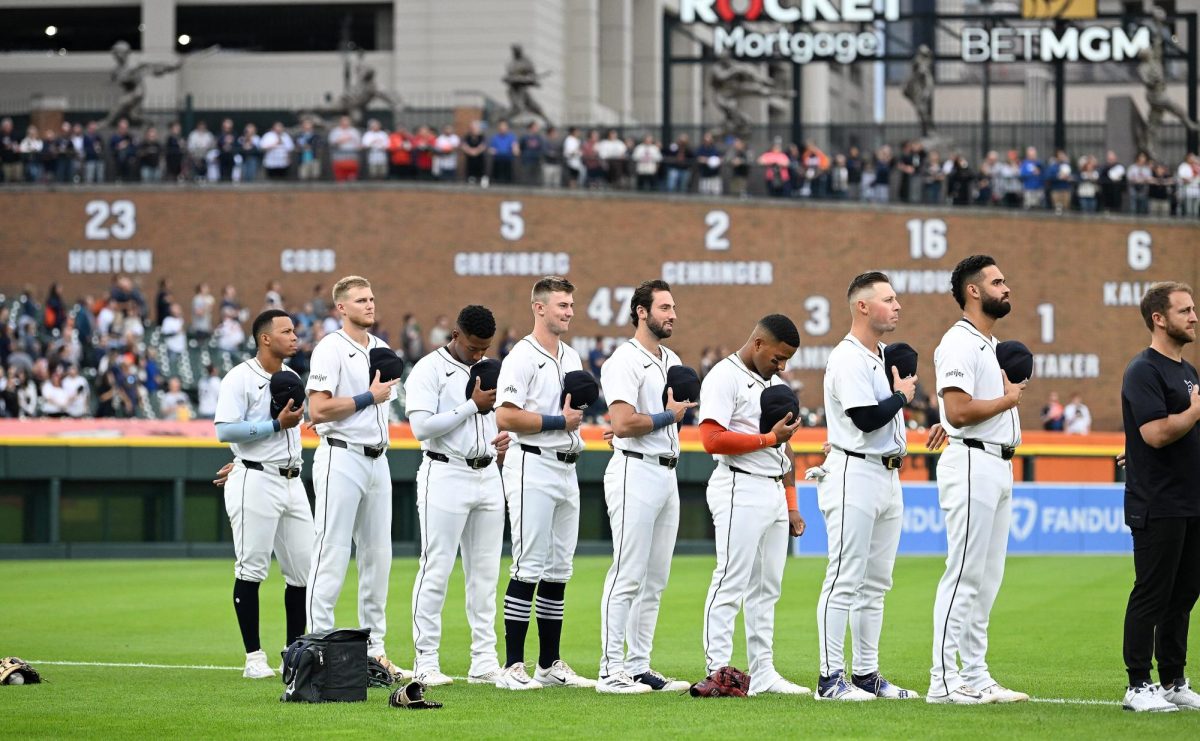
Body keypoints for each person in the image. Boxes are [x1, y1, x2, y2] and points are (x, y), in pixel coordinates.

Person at [814, 272, 946, 701]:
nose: (898, 306)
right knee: (844, 577)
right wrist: (904, 397)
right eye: (889, 299)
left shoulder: (882, 355)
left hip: (888, 473)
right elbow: (865, 417)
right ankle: (830, 678)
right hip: (855, 469)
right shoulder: (848, 357)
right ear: (862, 307)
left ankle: (867, 673)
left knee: (876, 582)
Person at [928, 254, 1028, 705]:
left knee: (987, 578)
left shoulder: (989, 343)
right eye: (997, 282)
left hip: (996, 464)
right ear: (974, 291)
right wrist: (1009, 400)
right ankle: (943, 681)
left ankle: (976, 673)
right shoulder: (960, 342)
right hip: (971, 463)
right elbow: (958, 412)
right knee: (965, 574)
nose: (1006, 288)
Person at [493, 276, 594, 690]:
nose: (568, 312)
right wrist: (559, 422)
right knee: (528, 564)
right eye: (561, 305)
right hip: (531, 463)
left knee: (558, 569)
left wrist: (576, 429)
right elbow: (506, 417)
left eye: (570, 305)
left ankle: (549, 665)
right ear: (539, 308)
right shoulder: (522, 355)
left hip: (566, 465)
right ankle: (512, 667)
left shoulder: (570, 356)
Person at [304, 276, 408, 681]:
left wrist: (374, 400)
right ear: (341, 308)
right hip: (340, 456)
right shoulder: (331, 347)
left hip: (376, 459)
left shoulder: (381, 349)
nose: (370, 304)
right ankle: (315, 649)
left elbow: (384, 407)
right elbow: (318, 410)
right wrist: (368, 396)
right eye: (360, 299)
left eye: (372, 297)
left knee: (377, 557)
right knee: (331, 551)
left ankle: (375, 652)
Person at [698, 315, 808, 696]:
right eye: (778, 358)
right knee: (731, 579)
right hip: (737, 485)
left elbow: (785, 444)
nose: (783, 367)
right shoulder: (722, 376)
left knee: (767, 587)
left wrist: (792, 503)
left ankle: (762, 673)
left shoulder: (773, 384)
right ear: (758, 343)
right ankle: (719, 671)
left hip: (773, 491)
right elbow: (711, 439)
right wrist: (767, 439)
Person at [596, 280, 695, 695]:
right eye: (664, 307)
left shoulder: (669, 357)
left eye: (673, 307)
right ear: (641, 311)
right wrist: (668, 417)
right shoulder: (624, 359)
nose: (672, 314)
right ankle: (610, 669)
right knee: (628, 571)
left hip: (665, 471)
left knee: (655, 578)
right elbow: (621, 424)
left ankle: (638, 665)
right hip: (634, 470)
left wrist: (665, 418)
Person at [404, 305, 510, 687]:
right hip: (444, 471)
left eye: (484, 348)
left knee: (484, 575)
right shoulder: (428, 369)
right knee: (437, 568)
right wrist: (471, 406)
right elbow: (420, 426)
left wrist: (502, 437)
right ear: (456, 333)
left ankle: (483, 660)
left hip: (487, 474)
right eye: (473, 346)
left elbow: (496, 418)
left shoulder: (491, 368)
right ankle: (425, 661)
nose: (479, 353)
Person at [213, 309, 311, 679]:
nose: (294, 336)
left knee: (303, 572)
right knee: (252, 569)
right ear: (265, 338)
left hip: (292, 480)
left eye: (294, 330)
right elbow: (224, 431)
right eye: (286, 331)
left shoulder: (289, 377)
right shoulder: (239, 377)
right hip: (256, 478)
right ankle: (254, 657)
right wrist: (273, 425)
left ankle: (295, 654)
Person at [1119, 281, 1200, 712]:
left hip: (1191, 500)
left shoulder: (1188, 372)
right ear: (1159, 318)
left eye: (1193, 309)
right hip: (1158, 502)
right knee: (1152, 592)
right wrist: (1194, 411)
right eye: (1185, 310)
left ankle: (1172, 679)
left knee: (1184, 593)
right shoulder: (1143, 370)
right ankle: (1137, 685)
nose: (1194, 317)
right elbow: (1155, 433)